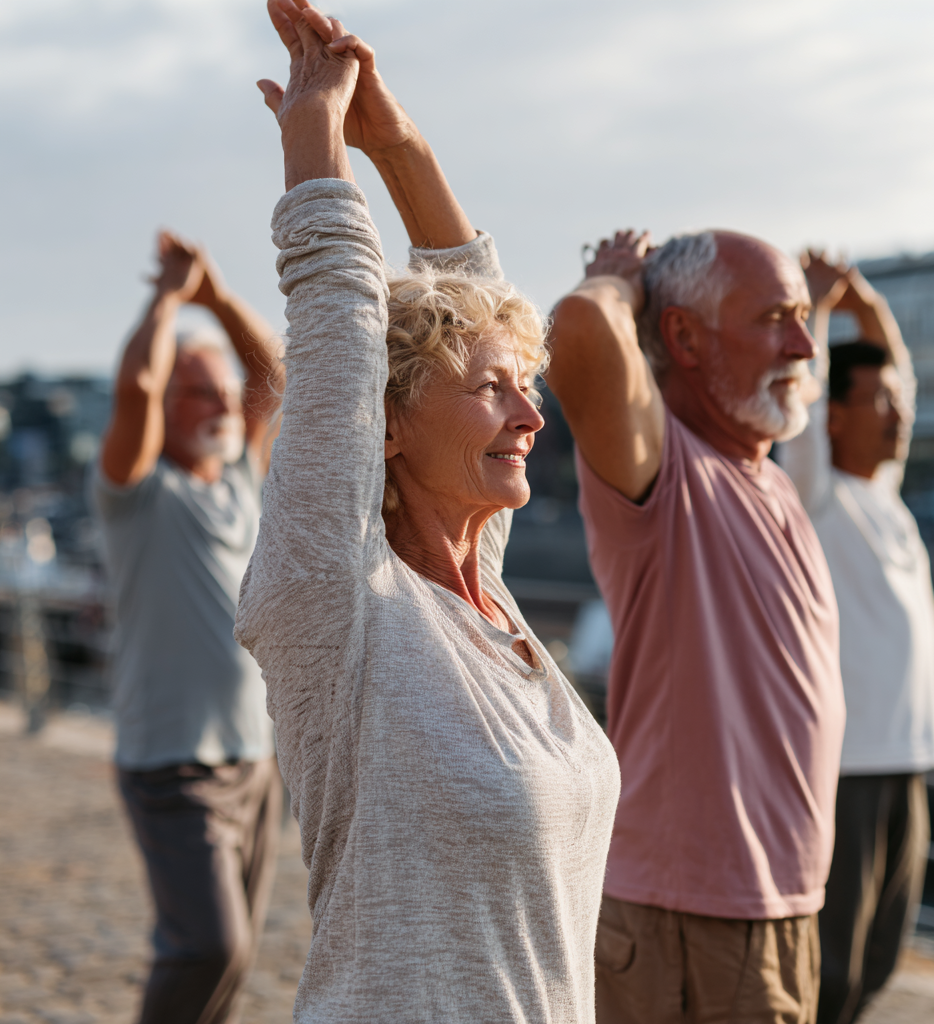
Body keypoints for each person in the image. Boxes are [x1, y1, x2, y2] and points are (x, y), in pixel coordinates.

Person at [234, 2, 620, 1021]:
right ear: (386, 423)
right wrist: (315, 130)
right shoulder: (339, 601)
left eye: (522, 386)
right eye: (492, 388)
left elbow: (472, 285)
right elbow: (335, 315)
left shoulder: (482, 596)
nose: (532, 414)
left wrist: (397, 142)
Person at [546, 229, 847, 1024]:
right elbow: (577, 334)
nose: (804, 342)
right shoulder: (667, 474)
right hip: (691, 918)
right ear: (682, 335)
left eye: (803, 317)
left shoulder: (767, 480)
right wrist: (615, 281)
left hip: (775, 908)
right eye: (776, 317)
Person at [95, 225, 285, 1023]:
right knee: (211, 947)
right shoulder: (137, 493)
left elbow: (272, 375)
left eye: (223, 392)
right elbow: (135, 388)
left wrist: (217, 297)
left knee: (230, 967)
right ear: (170, 408)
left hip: (252, 762)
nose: (225, 407)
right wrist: (168, 300)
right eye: (201, 393)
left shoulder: (242, 476)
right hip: (173, 765)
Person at [777, 254, 934, 1024]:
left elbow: (901, 372)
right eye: (877, 400)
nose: (897, 411)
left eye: (895, 400)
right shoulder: (815, 493)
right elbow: (802, 403)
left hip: (910, 759)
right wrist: (815, 308)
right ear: (833, 415)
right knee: (834, 963)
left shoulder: (882, 491)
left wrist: (868, 302)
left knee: (880, 955)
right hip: (848, 767)